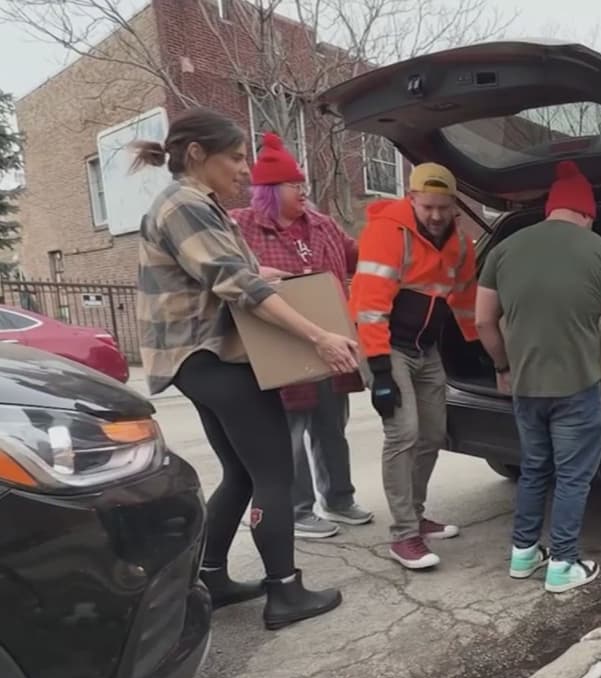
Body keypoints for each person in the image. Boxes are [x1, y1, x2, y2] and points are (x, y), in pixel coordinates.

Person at [134, 108, 355, 630]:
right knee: (274, 473)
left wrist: (269, 271)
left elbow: (231, 272)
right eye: (234, 157)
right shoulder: (184, 204)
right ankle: (285, 593)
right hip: (214, 359)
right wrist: (319, 336)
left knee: (238, 472)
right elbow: (237, 286)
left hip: (196, 363)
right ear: (196, 155)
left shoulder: (193, 206)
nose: (243, 169)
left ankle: (211, 575)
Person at [474, 160, 601, 593]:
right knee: (572, 477)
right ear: (586, 213)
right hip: (577, 387)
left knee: (534, 470)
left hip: (525, 388)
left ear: (551, 209)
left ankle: (523, 555)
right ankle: (563, 565)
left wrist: (504, 366)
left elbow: (483, 323)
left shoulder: (503, 249)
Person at [230, 132, 373, 540]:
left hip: (330, 340)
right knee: (289, 432)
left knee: (332, 426)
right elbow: (223, 272)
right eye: (296, 185)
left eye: (304, 184)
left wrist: (390, 246)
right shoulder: (241, 225)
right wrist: (256, 274)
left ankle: (339, 499)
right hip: (282, 342)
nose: (304, 192)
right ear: (272, 190)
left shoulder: (322, 224)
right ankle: (298, 509)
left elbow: (356, 255)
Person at [349, 162, 478, 569]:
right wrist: (380, 371)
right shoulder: (389, 233)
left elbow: (464, 300)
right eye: (428, 207)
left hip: (427, 351)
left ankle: (416, 516)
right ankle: (402, 535)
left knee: (433, 434)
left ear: (455, 206)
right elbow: (368, 307)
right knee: (402, 435)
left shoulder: (461, 244)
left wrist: (479, 350)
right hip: (390, 349)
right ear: (411, 200)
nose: (436, 216)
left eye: (444, 207)